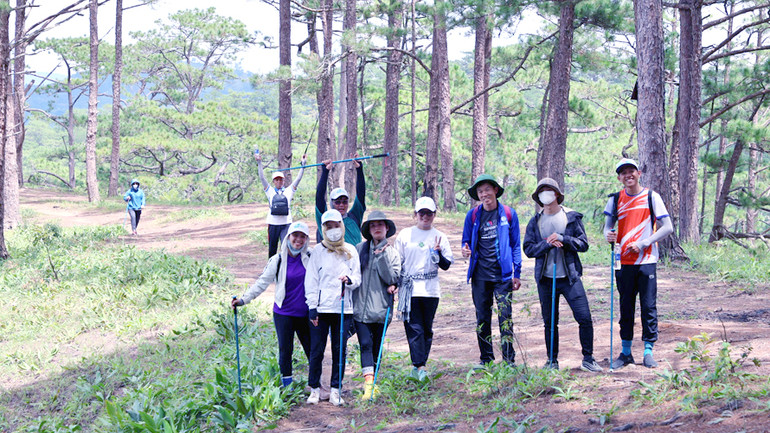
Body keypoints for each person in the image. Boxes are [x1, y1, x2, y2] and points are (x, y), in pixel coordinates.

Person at [522, 178, 603, 372]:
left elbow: (583, 244)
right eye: (542, 191)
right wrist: (547, 244)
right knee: (550, 322)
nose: (545, 194)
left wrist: (563, 239)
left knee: (584, 317)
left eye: (549, 190)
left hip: (570, 278)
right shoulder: (535, 221)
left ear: (557, 194)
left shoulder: (571, 217)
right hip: (545, 280)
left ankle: (588, 359)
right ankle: (552, 361)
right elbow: (528, 249)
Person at [603, 158, 673, 369]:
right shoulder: (615, 199)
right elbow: (607, 228)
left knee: (648, 306)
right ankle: (625, 353)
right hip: (623, 261)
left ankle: (648, 351)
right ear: (619, 178)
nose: (628, 175)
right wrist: (608, 235)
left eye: (631, 171)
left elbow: (667, 227)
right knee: (626, 307)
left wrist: (644, 243)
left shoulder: (652, 197)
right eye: (623, 173)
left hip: (646, 260)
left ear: (639, 173)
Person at [231, 222, 312, 388]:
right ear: (288, 237)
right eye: (295, 235)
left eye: (302, 236)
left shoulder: (311, 257)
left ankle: (316, 384)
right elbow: (262, 282)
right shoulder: (278, 260)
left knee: (312, 349)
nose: (298, 239)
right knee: (285, 350)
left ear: (306, 239)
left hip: (305, 313)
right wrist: (244, 300)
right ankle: (287, 386)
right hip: (284, 313)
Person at [461, 174, 521, 367]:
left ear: (495, 190)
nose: (484, 194)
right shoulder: (472, 215)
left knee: (505, 317)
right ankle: (486, 358)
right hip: (480, 276)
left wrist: (517, 273)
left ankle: (509, 360)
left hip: (503, 276)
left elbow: (515, 245)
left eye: (487, 189)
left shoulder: (509, 214)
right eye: (480, 191)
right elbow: (466, 241)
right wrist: (465, 249)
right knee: (482, 318)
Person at [305, 209, 361, 406]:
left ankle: (336, 389)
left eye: (336, 225)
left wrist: (349, 280)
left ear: (341, 226)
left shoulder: (350, 250)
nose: (333, 229)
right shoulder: (317, 251)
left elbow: (357, 278)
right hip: (321, 309)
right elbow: (311, 280)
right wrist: (312, 306)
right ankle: (315, 388)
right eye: (328, 226)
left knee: (340, 350)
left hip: (343, 308)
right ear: (323, 229)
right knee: (317, 350)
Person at [394, 197, 453, 381]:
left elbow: (446, 265)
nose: (425, 217)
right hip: (410, 289)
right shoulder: (405, 235)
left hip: (430, 289)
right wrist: (394, 283)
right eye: (422, 213)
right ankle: (419, 365)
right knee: (414, 328)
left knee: (427, 328)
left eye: (429, 213)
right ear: (415, 214)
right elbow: (397, 262)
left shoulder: (440, 237)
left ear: (434, 215)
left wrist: (438, 253)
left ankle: (419, 365)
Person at [353, 211, 401, 400]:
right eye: (373, 225)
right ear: (369, 230)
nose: (377, 228)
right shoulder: (359, 249)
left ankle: (373, 383)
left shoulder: (392, 253)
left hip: (382, 310)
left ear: (387, 228)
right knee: (365, 344)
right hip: (360, 309)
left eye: (380, 224)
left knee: (376, 347)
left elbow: (392, 278)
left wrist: (381, 257)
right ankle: (368, 385)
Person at [256, 152, 306, 258]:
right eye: (276, 179)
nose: (279, 181)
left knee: (286, 248)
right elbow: (262, 178)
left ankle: (285, 266)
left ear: (283, 181)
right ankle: (272, 266)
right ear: (274, 181)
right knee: (272, 249)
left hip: (286, 224)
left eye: (280, 179)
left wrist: (303, 164)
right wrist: (259, 163)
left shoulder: (289, 191)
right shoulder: (269, 191)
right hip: (273, 224)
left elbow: (298, 179)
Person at [315, 155, 366, 245]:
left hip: (355, 254)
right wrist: (325, 172)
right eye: (337, 202)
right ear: (332, 203)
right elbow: (319, 198)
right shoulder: (325, 219)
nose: (341, 205)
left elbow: (361, 194)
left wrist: (359, 169)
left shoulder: (354, 216)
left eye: (344, 202)